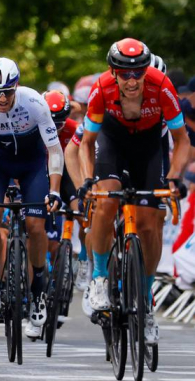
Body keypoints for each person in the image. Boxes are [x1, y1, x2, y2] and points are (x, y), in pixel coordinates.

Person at [78, 38, 189, 346]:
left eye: (137, 72)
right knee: (107, 200)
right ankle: (99, 277)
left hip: (149, 149)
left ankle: (147, 300)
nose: (131, 80)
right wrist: (88, 180)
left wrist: (176, 178)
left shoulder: (161, 86)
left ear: (145, 71)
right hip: (113, 145)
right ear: (113, 72)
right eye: (124, 73)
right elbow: (87, 144)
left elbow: (182, 141)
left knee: (151, 224)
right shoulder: (101, 89)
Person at [0, 57, 63, 339]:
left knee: (36, 227)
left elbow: (55, 151)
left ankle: (37, 293)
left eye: (7, 92)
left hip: (32, 165)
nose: (1, 98)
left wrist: (55, 190)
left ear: (16, 86)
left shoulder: (34, 103)